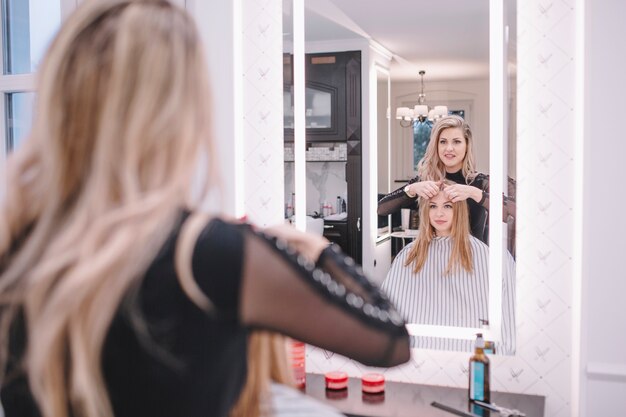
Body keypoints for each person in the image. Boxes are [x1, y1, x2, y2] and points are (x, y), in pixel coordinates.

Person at [0, 2, 410, 417]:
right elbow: (391, 340)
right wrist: (315, 247)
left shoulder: (18, 250)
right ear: (179, 113)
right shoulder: (209, 254)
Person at [381, 182, 515, 354]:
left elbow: (508, 321)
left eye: (448, 206)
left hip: (467, 352)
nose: (439, 213)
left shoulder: (487, 256)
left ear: (459, 210)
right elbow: (388, 312)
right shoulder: (409, 255)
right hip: (421, 351)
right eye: (433, 206)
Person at [377, 115, 516, 256]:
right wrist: (412, 189)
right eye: (443, 142)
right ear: (436, 146)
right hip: (433, 263)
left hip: (474, 264)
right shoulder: (426, 181)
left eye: (456, 142)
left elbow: (516, 213)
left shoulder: (480, 182)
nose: (449, 148)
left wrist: (474, 193)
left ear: (467, 145)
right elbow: (381, 209)